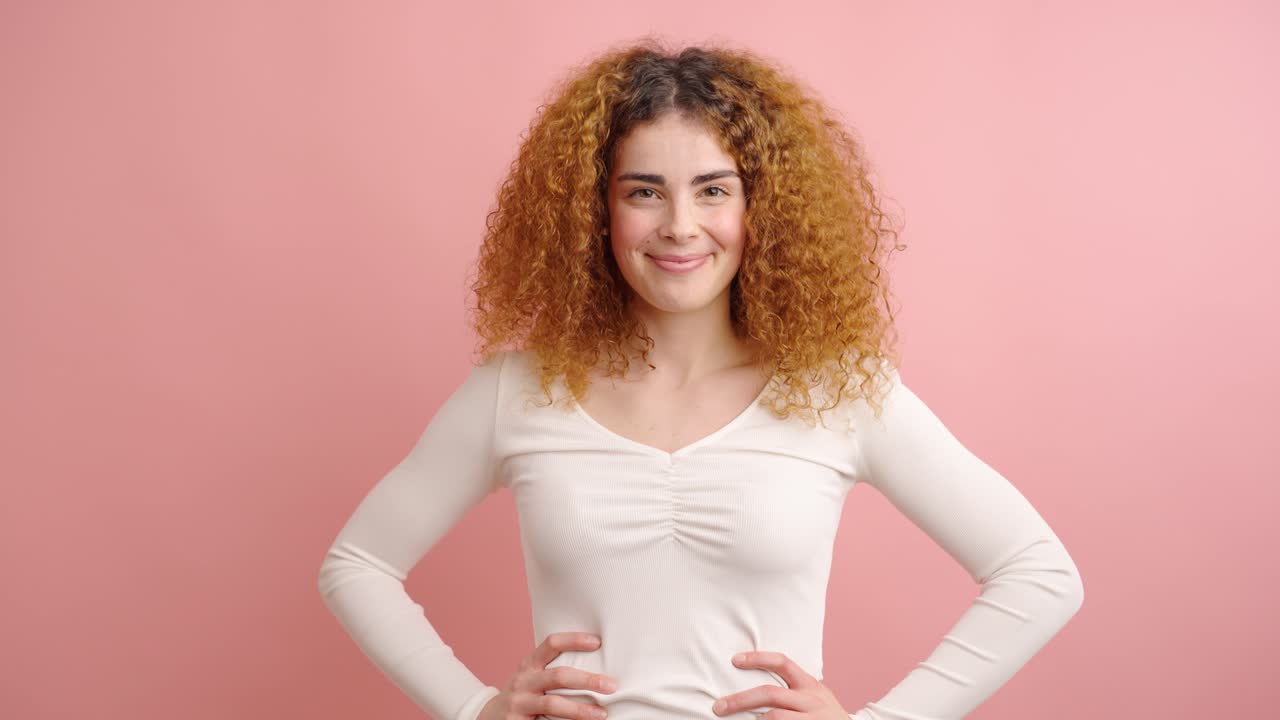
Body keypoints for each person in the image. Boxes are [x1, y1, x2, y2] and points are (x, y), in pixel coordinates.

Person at [317, 38, 1084, 720]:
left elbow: (1038, 574)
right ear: (597, 212)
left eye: (714, 189)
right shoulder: (515, 392)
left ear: (763, 210)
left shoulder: (839, 394)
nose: (680, 224)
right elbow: (357, 566)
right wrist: (473, 709)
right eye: (643, 191)